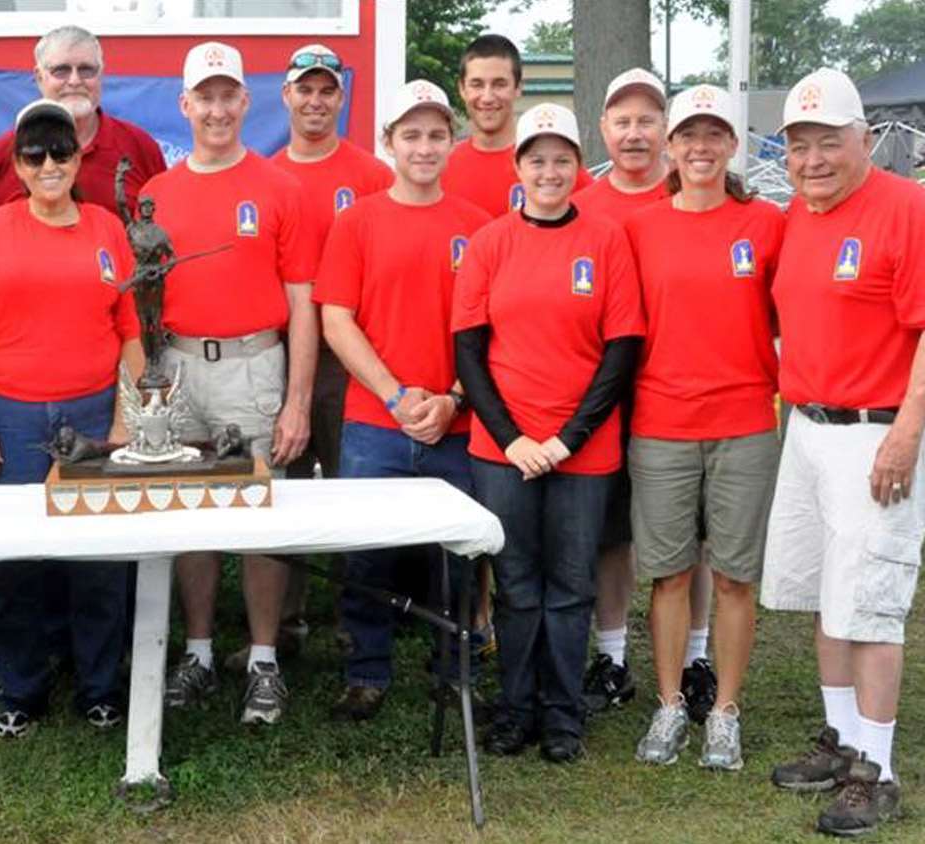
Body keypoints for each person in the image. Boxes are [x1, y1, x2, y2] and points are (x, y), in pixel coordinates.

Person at [760, 68, 925, 837]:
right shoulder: (798, 216)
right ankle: (840, 743)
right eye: (799, 145)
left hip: (878, 432)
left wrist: (907, 429)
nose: (812, 159)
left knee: (871, 611)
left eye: (828, 141)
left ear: (865, 139)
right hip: (808, 428)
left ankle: (879, 769)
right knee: (829, 599)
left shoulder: (909, 209)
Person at [452, 103, 644, 763]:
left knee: (571, 586)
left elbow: (621, 350)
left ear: (576, 165)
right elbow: (470, 352)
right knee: (517, 582)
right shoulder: (489, 243)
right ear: (519, 167)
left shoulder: (606, 240)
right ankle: (515, 709)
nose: (550, 170)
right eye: (537, 159)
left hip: (583, 450)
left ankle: (563, 716)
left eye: (562, 158)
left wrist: (568, 438)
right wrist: (513, 440)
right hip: (504, 451)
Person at [0, 98, 143, 738]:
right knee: (18, 561)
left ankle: (99, 686)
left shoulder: (107, 230)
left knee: (99, 561)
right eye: (35, 154)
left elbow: (130, 331)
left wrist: (127, 417)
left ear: (79, 156)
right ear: (19, 165)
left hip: (93, 413)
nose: (50, 162)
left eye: (61, 150)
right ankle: (20, 689)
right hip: (12, 415)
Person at [144, 41, 318, 726]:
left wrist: (297, 399)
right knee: (191, 511)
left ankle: (265, 659)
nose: (216, 108)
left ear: (246, 101)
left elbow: (303, 300)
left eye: (228, 94)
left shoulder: (280, 187)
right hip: (179, 363)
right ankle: (199, 651)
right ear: (185, 105)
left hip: (255, 362)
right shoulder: (158, 192)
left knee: (258, 512)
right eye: (204, 96)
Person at [315, 80, 490, 720]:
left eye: (436, 134)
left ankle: (454, 667)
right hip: (375, 421)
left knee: (458, 558)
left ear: (452, 141)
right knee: (368, 554)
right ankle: (366, 670)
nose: (424, 146)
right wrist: (396, 398)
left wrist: (448, 399)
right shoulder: (357, 220)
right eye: (410, 135)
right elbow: (338, 320)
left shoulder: (479, 226)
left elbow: (488, 329)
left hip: (456, 421)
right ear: (388, 143)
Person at [624, 84, 784, 770]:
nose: (699, 146)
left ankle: (725, 712)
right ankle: (668, 707)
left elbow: (791, 313)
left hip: (745, 421)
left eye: (713, 134)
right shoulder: (640, 228)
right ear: (670, 144)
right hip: (661, 422)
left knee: (735, 579)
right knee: (666, 575)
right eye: (688, 134)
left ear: (731, 145)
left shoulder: (767, 225)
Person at [571, 68, 715, 720]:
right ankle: (612, 657)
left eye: (647, 121)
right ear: (604, 129)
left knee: (692, 538)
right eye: (622, 121)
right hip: (605, 394)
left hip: (685, 393)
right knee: (610, 536)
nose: (634, 134)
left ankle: (697, 658)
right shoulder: (580, 203)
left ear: (667, 131)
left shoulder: (701, 194)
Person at [253, 43, 393, 671]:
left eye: (326, 90)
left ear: (342, 97)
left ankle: (353, 622)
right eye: (303, 89)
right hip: (274, 352)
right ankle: (284, 621)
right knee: (283, 491)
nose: (315, 101)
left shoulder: (370, 176)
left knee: (346, 490)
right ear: (284, 96)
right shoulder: (265, 175)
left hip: (349, 358)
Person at [0, 25, 166, 219]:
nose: (74, 81)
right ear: (40, 77)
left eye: (86, 70)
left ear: (101, 74)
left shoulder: (140, 147)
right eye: (61, 71)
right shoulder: (3, 153)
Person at [442, 33, 592, 220]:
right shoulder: (442, 168)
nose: (487, 97)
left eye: (499, 84)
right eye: (477, 84)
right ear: (462, 89)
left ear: (518, 87)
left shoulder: (553, 167)